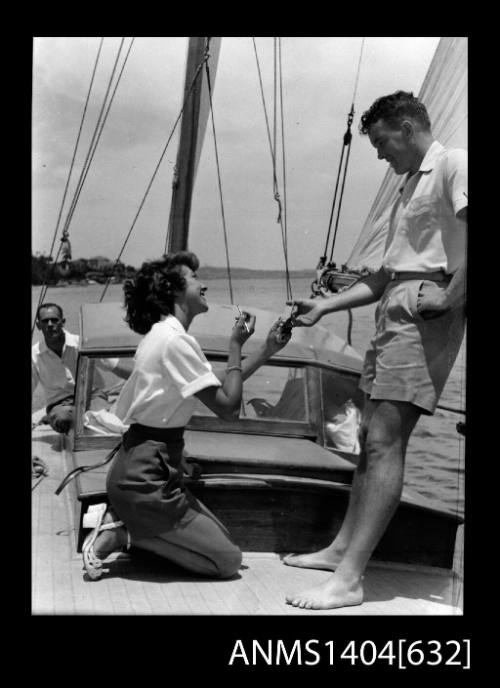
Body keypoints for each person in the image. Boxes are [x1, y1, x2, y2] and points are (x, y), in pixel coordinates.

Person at [283, 90, 467, 610]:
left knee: (386, 439)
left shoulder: (454, 164)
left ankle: (350, 579)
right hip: (395, 305)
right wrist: (326, 306)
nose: (381, 156)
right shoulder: (409, 185)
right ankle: (341, 549)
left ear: (408, 128)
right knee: (368, 434)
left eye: (383, 143)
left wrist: (451, 296)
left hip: (425, 310)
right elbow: (386, 273)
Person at [82, 251, 292, 581]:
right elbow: (228, 410)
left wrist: (266, 349)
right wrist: (235, 345)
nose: (203, 283)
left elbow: (219, 384)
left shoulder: (162, 336)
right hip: (145, 479)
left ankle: (128, 524)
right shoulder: (176, 342)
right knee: (227, 562)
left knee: (220, 539)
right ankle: (123, 534)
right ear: (174, 289)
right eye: (194, 278)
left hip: (147, 471)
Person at [32, 303, 129, 433]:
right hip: (60, 404)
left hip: (93, 396)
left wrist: (147, 376)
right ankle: (55, 416)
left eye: (54, 320)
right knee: (64, 420)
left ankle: (60, 417)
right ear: (39, 325)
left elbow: (116, 367)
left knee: (108, 419)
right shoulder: (34, 354)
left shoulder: (83, 344)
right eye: (45, 321)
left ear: (63, 322)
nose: (50, 324)